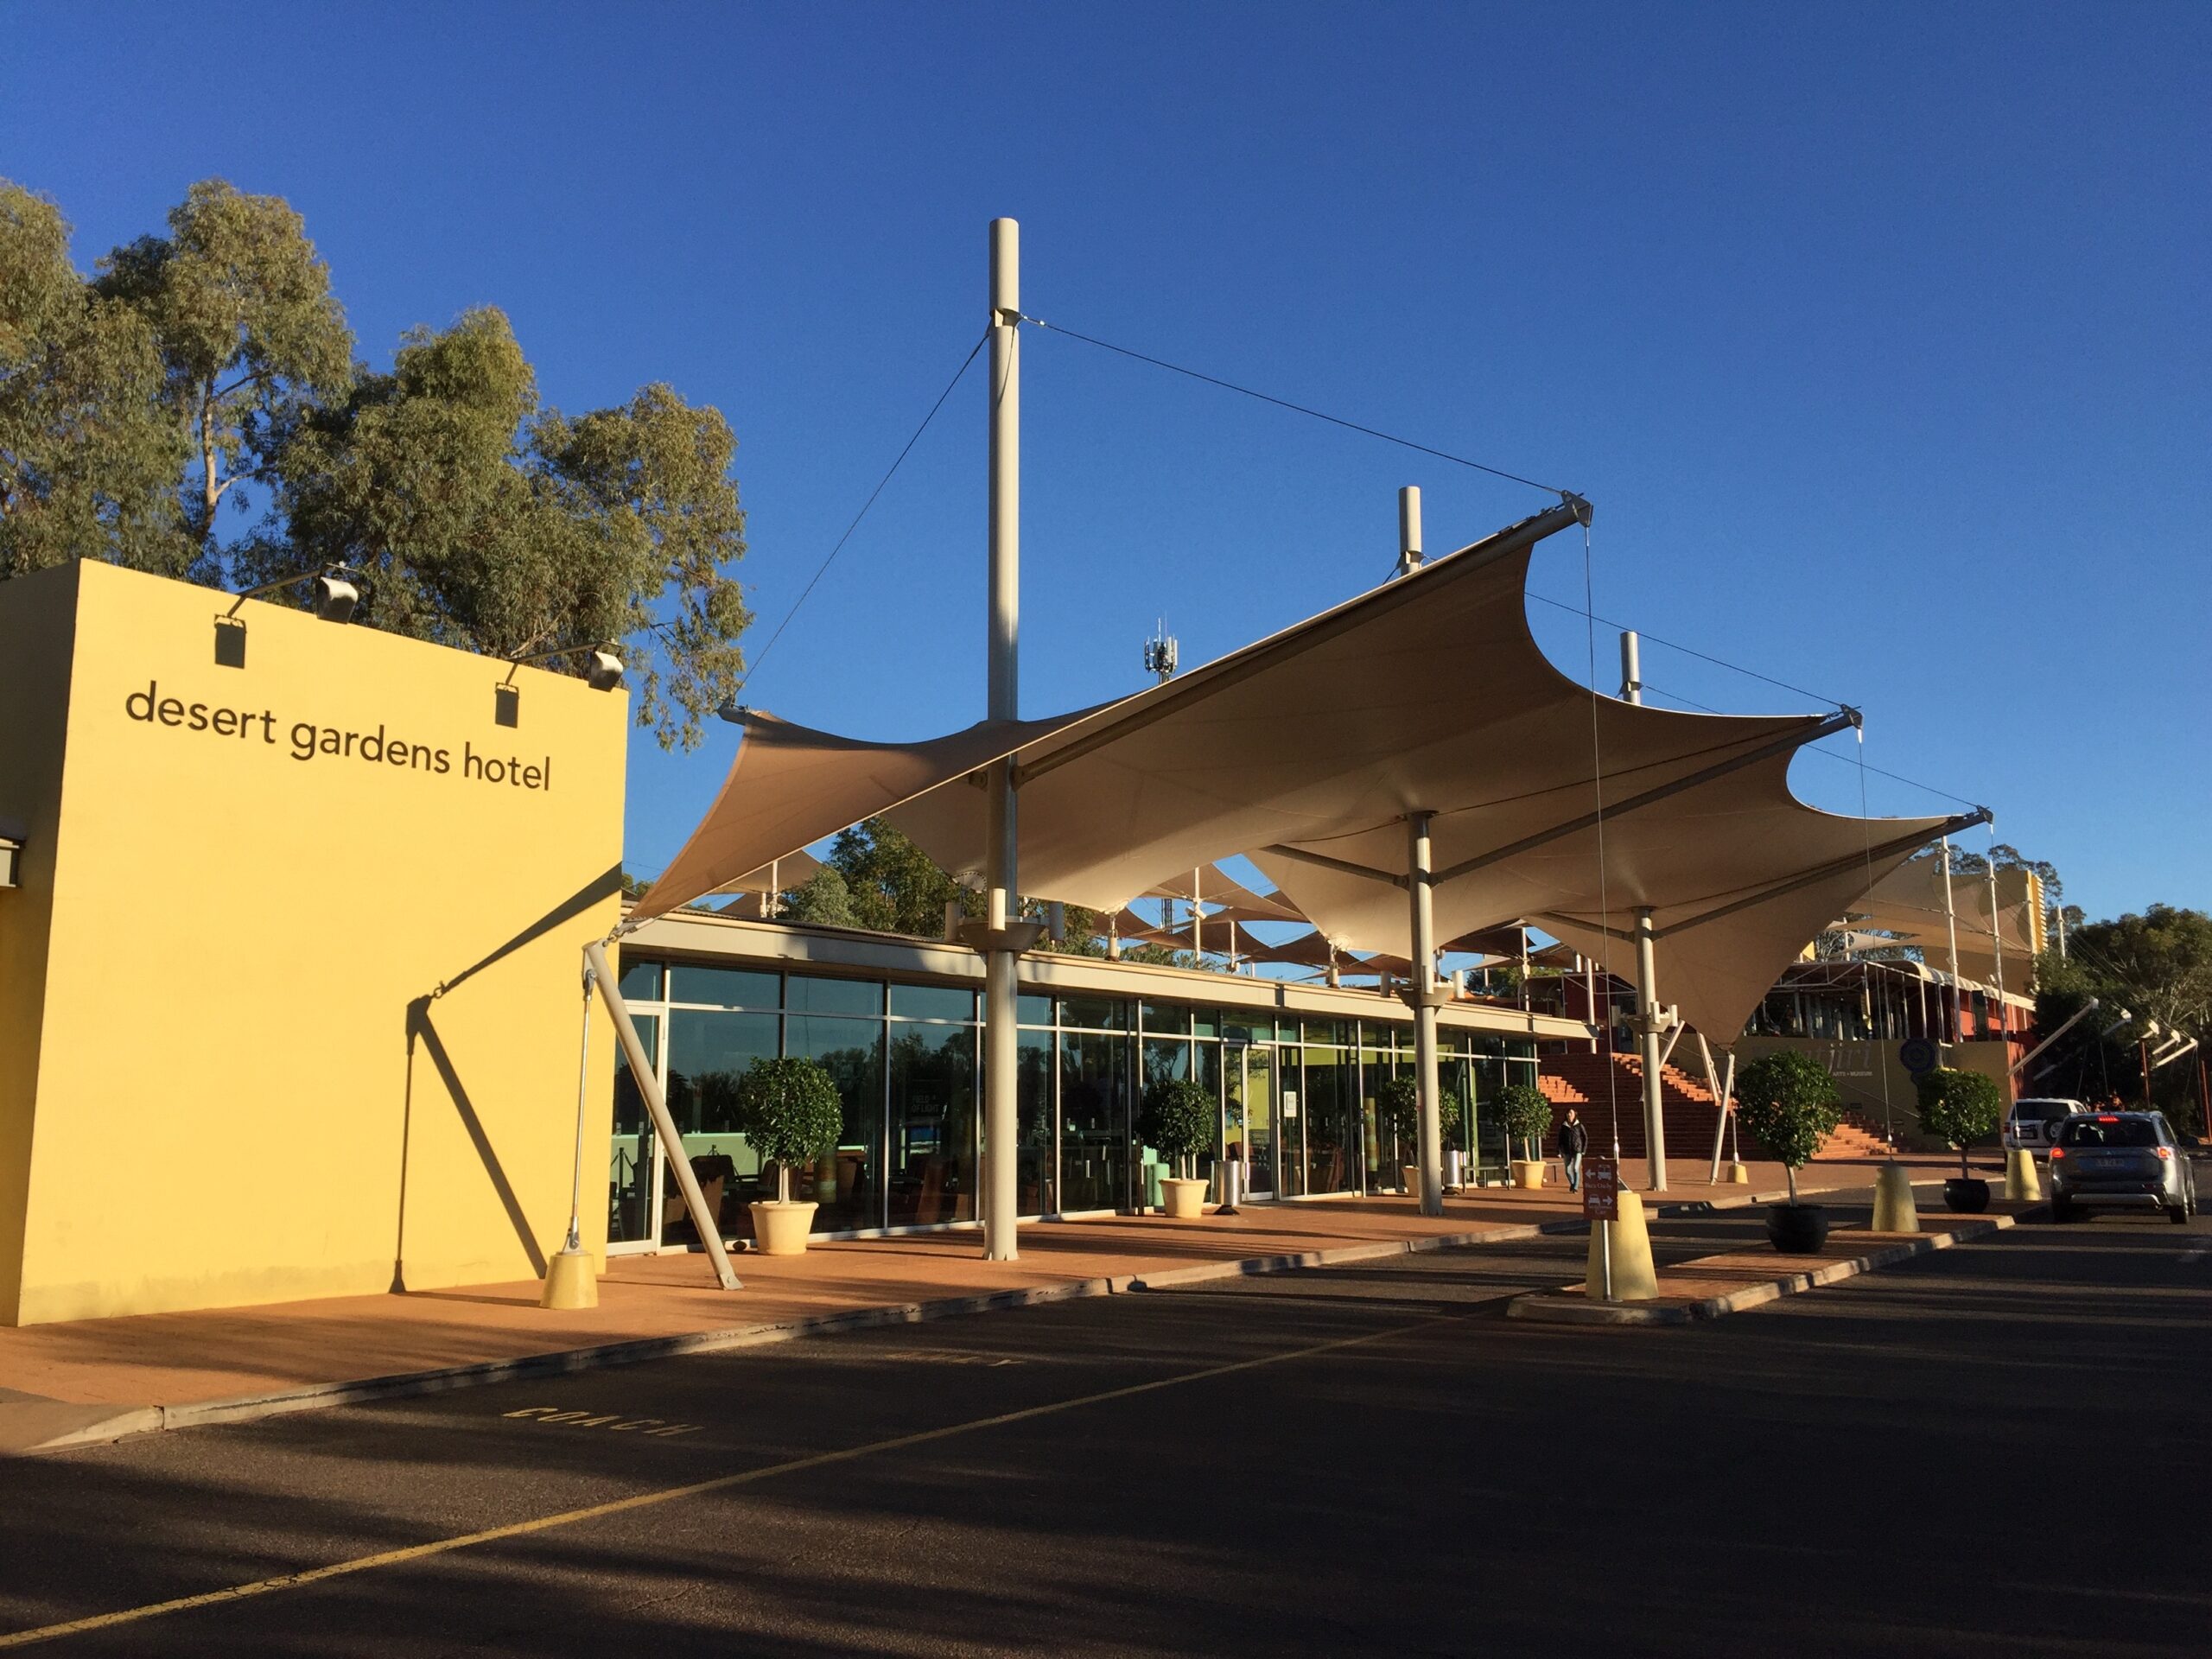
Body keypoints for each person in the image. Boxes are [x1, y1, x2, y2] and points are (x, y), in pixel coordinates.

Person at [1559, 1107, 1589, 1192]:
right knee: (1568, 1171)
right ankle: (1572, 1184)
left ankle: (1575, 1187)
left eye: (1571, 1113)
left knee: (1576, 1168)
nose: (1569, 1115)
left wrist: (1583, 1149)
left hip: (1577, 1150)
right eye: (1568, 1113)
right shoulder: (1564, 1126)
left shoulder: (1579, 1125)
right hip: (1567, 1150)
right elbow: (1560, 1139)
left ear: (1575, 1114)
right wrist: (1559, 1151)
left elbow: (1585, 1137)